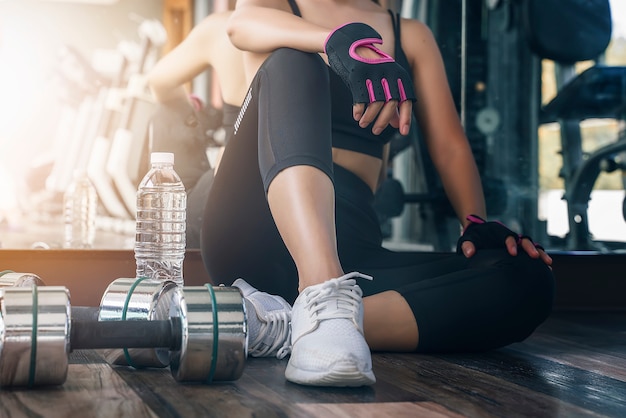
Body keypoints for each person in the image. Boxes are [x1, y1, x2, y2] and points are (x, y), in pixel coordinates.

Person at [200, 0, 555, 387]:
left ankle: (290, 325)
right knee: (293, 59)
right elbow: (241, 24)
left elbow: (450, 147)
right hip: (257, 224)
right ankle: (321, 290)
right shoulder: (279, 5)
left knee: (527, 277)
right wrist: (336, 42)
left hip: (352, 251)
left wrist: (474, 223)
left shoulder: (411, 35)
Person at [146, 8, 247, 248]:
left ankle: (167, 225)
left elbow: (159, 81)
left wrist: (185, 109)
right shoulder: (333, 34)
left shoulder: (224, 26)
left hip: (233, 199)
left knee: (167, 108)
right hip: (327, 185)